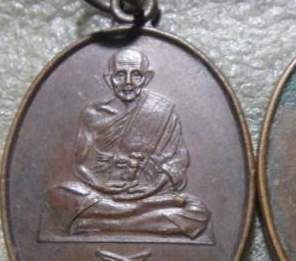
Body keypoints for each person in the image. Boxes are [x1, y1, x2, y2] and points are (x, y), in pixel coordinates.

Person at [41, 48, 210, 240]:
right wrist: (101, 185)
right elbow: (80, 165)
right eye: (120, 75)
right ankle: (135, 218)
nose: (128, 82)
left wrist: (154, 187)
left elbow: (178, 160)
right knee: (58, 195)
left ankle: (100, 224)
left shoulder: (162, 111)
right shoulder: (93, 114)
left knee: (197, 212)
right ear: (109, 79)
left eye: (136, 75)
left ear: (147, 78)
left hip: (149, 194)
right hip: (102, 194)